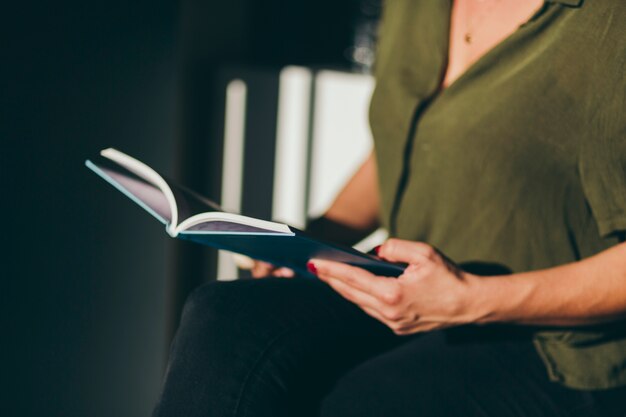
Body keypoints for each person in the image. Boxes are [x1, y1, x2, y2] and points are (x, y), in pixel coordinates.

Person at [152, 1, 626, 416]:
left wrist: (470, 300)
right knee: (222, 318)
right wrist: (317, 240)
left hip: (560, 349)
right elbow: (411, 142)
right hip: (406, 296)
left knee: (346, 403)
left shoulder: (607, 23)